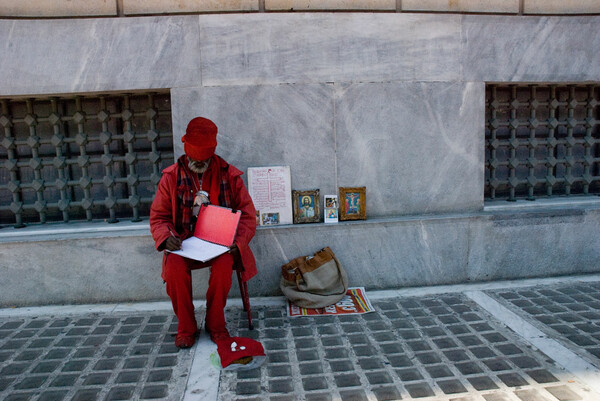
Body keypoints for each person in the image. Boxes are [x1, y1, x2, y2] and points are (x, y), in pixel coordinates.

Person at [150, 117, 257, 349]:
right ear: (186, 152)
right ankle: (186, 328)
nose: (198, 165)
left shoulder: (229, 175)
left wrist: (236, 242)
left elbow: (248, 215)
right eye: (193, 160)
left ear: (212, 155)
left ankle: (215, 324)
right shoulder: (170, 177)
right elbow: (159, 216)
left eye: (204, 161)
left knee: (223, 268)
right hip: (184, 242)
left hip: (220, 244)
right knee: (174, 270)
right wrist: (166, 237)